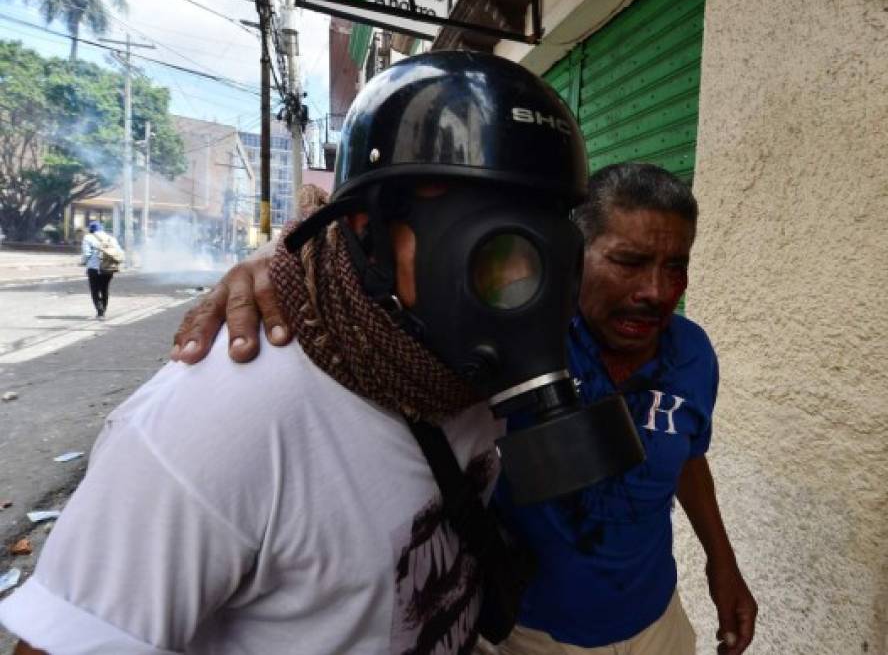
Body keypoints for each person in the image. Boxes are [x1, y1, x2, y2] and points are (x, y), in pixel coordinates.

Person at [0, 51, 592, 654]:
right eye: (494, 248)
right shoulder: (217, 427)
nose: (523, 287)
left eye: (550, 251)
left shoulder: (465, 375)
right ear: (367, 230)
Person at [171, 163, 758, 655]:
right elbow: (375, 274)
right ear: (571, 256)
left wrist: (723, 564)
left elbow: (687, 459)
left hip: (657, 622)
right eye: (629, 262)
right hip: (526, 632)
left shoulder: (694, 355)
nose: (656, 291)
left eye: (675, 265)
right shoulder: (511, 336)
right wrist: (278, 259)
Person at [81, 221, 123, 319]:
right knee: (104, 289)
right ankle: (103, 309)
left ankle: (100, 311)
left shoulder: (88, 237)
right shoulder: (111, 238)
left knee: (95, 290)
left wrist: (83, 262)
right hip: (108, 268)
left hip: (94, 268)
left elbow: (86, 254)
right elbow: (119, 252)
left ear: (91, 229)